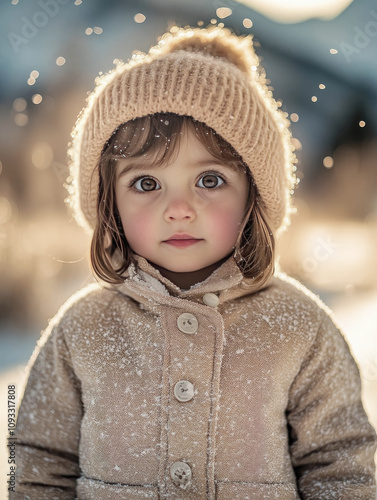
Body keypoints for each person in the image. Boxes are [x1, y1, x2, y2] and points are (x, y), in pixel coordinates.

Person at [13, 25, 376, 499]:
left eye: (209, 179)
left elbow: (341, 466)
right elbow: (37, 463)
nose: (179, 208)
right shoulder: (81, 329)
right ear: (109, 203)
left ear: (254, 196)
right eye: (146, 184)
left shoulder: (301, 328)